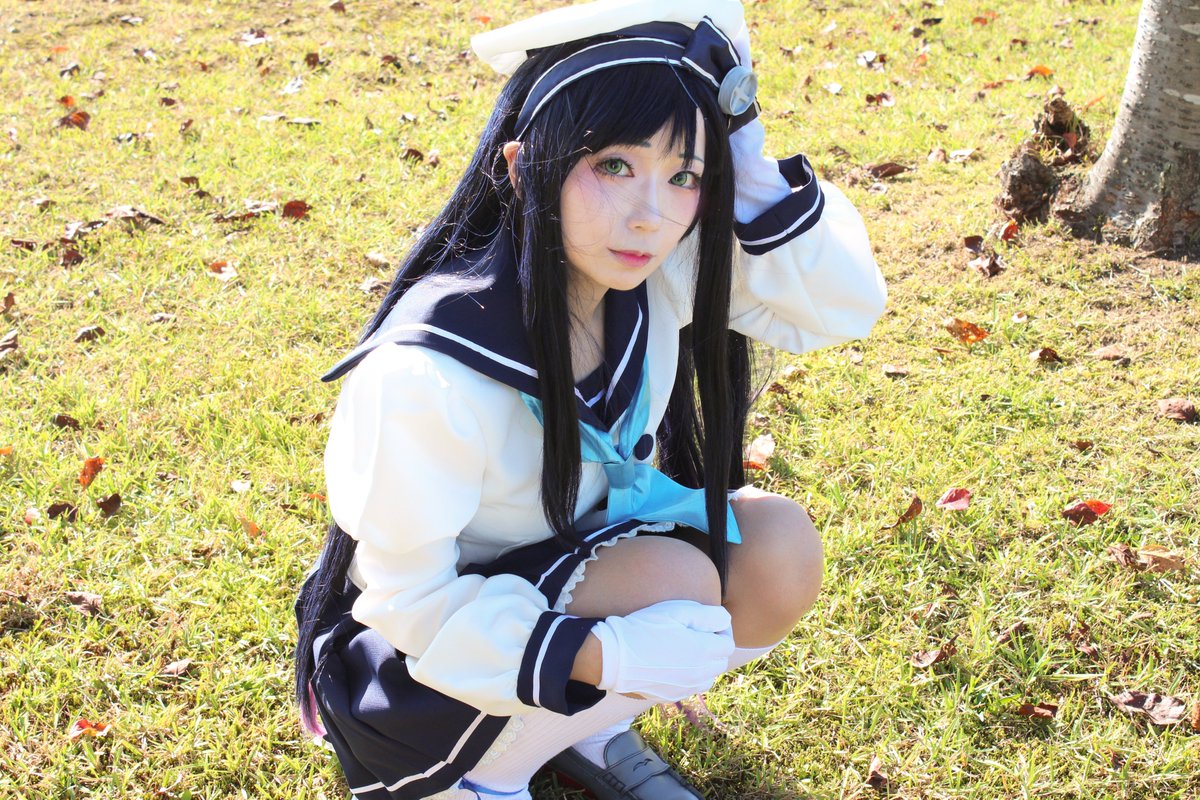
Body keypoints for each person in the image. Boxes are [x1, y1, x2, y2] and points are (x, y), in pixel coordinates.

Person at [294, 1, 887, 798]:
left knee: (777, 548)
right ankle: (482, 778)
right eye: (614, 166)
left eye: (683, 176)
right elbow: (409, 604)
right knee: (674, 583)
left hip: (575, 576)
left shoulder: (652, 277)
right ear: (521, 166)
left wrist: (745, 156)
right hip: (413, 676)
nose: (650, 216)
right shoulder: (425, 373)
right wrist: (603, 655)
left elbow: (843, 306)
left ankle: (583, 728)